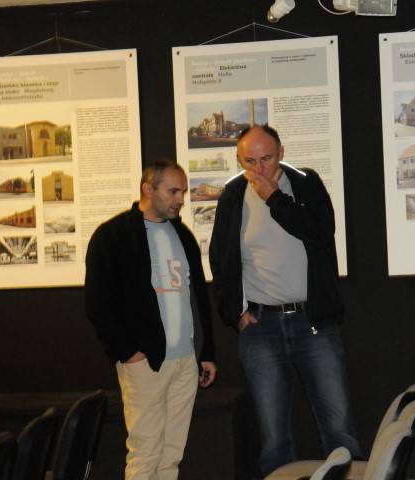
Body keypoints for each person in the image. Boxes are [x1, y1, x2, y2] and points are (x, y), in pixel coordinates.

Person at [209, 125, 361, 476]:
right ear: (239, 159)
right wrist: (234, 312)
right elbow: (221, 258)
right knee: (273, 435)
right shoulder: (233, 194)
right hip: (260, 326)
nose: (259, 169)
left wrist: (274, 198)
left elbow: (320, 232)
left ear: (281, 152)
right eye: (249, 161)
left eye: (266, 158)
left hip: (313, 321)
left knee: (339, 427)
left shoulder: (305, 183)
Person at [85, 159, 217, 480]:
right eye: (173, 191)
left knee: (171, 455)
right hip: (145, 363)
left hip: (185, 362)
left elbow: (197, 296)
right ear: (148, 189)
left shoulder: (183, 235)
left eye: (183, 192)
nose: (180, 199)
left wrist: (206, 351)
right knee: (145, 453)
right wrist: (128, 352)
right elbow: (98, 303)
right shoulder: (113, 235)